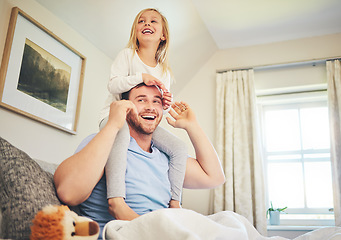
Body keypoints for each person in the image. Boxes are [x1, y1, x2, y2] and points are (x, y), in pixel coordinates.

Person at [54, 84, 225, 237]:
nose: (150, 107)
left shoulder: (166, 157)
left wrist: (192, 126)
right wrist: (113, 125)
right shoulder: (106, 143)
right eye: (141, 100)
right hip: (126, 234)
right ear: (126, 106)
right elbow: (68, 193)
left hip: (167, 231)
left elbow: (215, 177)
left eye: (156, 101)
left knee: (231, 222)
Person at [98, 8, 187, 220]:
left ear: (163, 35)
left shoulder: (165, 71)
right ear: (136, 30)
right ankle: (117, 201)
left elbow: (158, 106)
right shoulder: (127, 55)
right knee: (119, 135)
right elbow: (113, 85)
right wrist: (141, 77)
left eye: (153, 21)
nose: (147, 24)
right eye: (142, 21)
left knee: (179, 147)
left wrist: (166, 102)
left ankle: (175, 203)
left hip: (142, 125)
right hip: (116, 119)